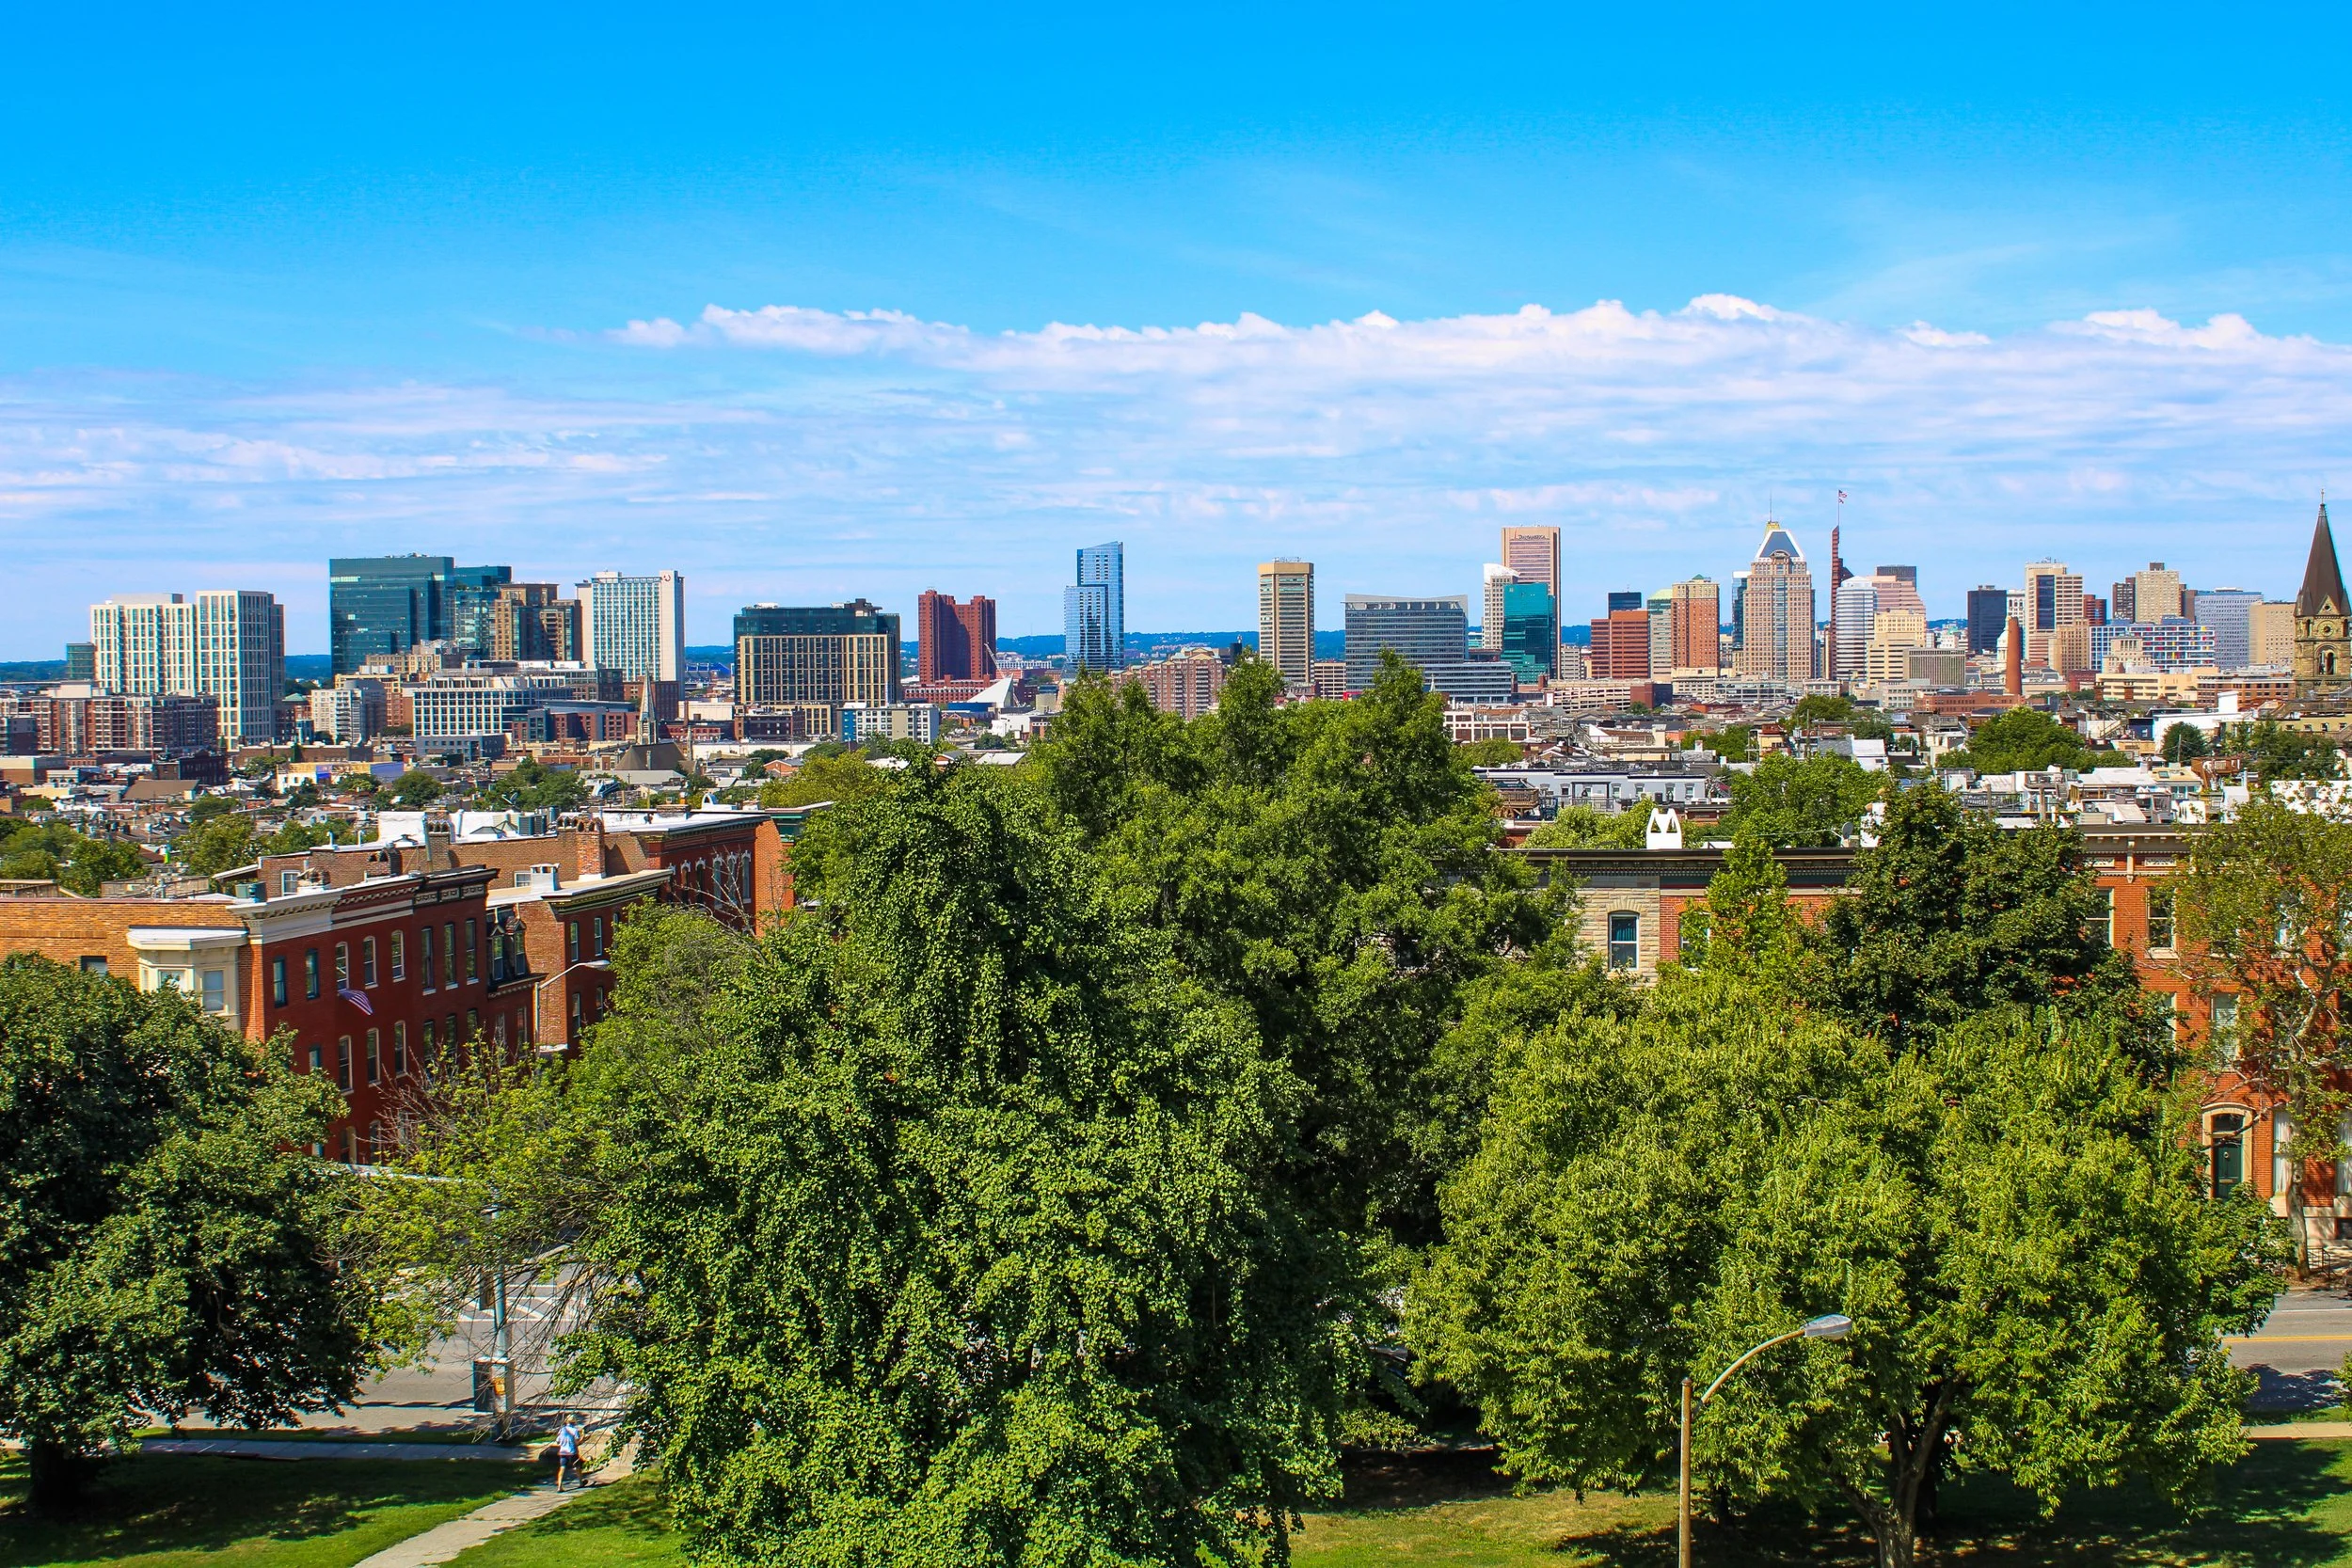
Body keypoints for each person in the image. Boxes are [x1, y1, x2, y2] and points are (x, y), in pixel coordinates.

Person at [555, 1413, 582, 1491]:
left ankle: (559, 1486)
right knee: (577, 1467)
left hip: (563, 1452)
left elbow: (558, 1441)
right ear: (574, 1422)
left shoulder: (561, 1430)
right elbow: (577, 1442)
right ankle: (580, 1483)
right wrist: (582, 1438)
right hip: (572, 1452)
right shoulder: (575, 1430)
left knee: (562, 1468)